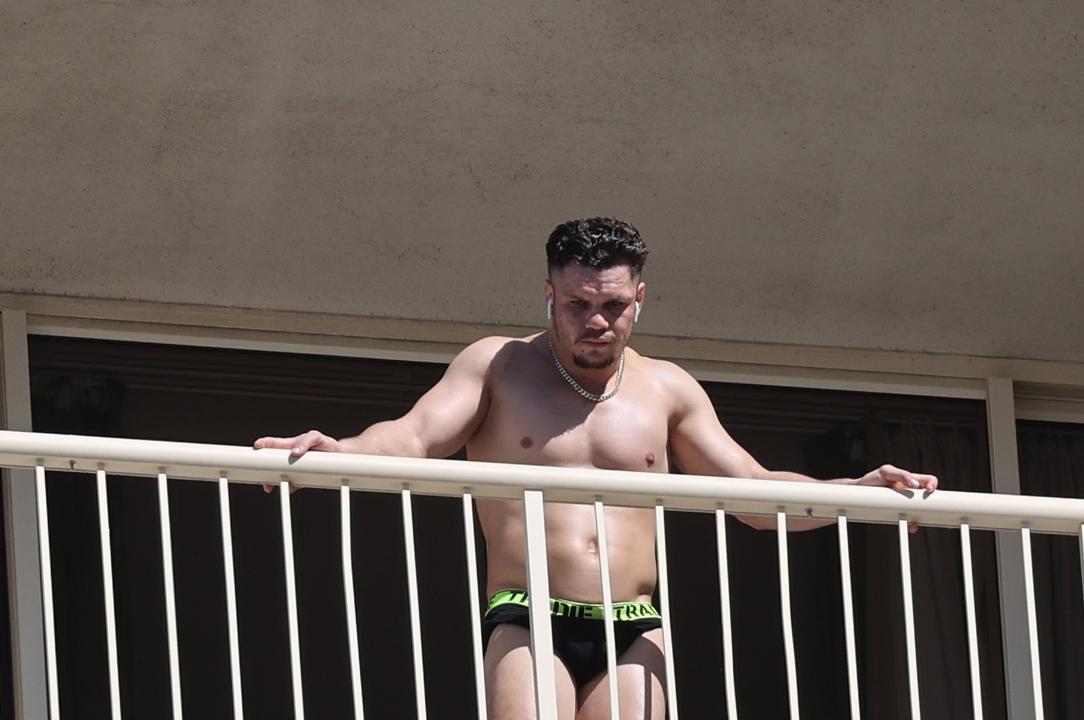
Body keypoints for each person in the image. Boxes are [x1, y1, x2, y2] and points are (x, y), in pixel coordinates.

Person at [254, 217, 939, 720]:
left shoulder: (667, 388)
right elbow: (414, 437)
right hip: (530, 614)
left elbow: (755, 495)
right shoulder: (500, 365)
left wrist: (858, 492)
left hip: (635, 622)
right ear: (548, 294)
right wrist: (339, 453)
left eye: (613, 305)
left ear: (640, 298)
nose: (596, 321)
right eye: (577, 304)